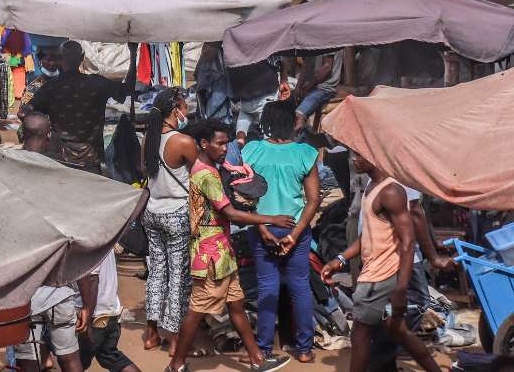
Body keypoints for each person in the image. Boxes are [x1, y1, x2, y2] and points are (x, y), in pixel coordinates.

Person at [163, 119, 295, 372]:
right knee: (197, 309)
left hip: (221, 251)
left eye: (227, 143)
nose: (225, 148)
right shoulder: (205, 174)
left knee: (236, 303)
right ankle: (176, 364)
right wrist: (271, 218)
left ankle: (257, 359)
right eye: (220, 143)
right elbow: (231, 214)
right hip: (211, 253)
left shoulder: (209, 168)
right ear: (204, 143)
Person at [320, 154, 443, 372]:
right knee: (398, 331)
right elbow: (366, 235)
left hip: (379, 277)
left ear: (374, 155)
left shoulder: (391, 191)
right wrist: (340, 259)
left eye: (359, 154)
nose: (353, 160)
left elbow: (407, 242)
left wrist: (401, 289)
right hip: (376, 272)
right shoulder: (371, 187)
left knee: (359, 334)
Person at [18, 111, 96, 372]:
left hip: (20, 295)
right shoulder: (58, 177)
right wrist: (86, 301)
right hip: (57, 292)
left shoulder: (8, 170)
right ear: (49, 134)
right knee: (70, 360)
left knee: (29, 362)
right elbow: (72, 243)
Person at [243, 101, 321, 363]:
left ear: (266, 122)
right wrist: (294, 235)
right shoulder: (305, 153)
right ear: (291, 123)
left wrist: (262, 228)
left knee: (267, 288)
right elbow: (313, 200)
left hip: (262, 226)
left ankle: (264, 349)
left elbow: (245, 197)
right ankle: (305, 349)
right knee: (300, 288)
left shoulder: (252, 151)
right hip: (295, 228)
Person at [20, 40, 139, 174]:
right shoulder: (97, 84)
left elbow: (25, 112)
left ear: (60, 59)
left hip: (60, 161)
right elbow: (128, 89)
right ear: (82, 59)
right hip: (91, 163)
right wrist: (133, 55)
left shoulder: (51, 88)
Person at [141, 87, 198, 352]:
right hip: (176, 214)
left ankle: (151, 334)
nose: (187, 110)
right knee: (178, 277)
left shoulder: (149, 139)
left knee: (157, 273)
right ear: (176, 109)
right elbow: (201, 175)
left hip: (152, 212)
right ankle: (175, 340)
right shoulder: (183, 142)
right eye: (185, 105)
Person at [80, 246, 137, 372]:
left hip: (95, 315)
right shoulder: (105, 235)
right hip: (110, 313)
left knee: (74, 363)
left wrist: (88, 318)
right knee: (110, 356)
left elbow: (92, 278)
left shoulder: (89, 240)